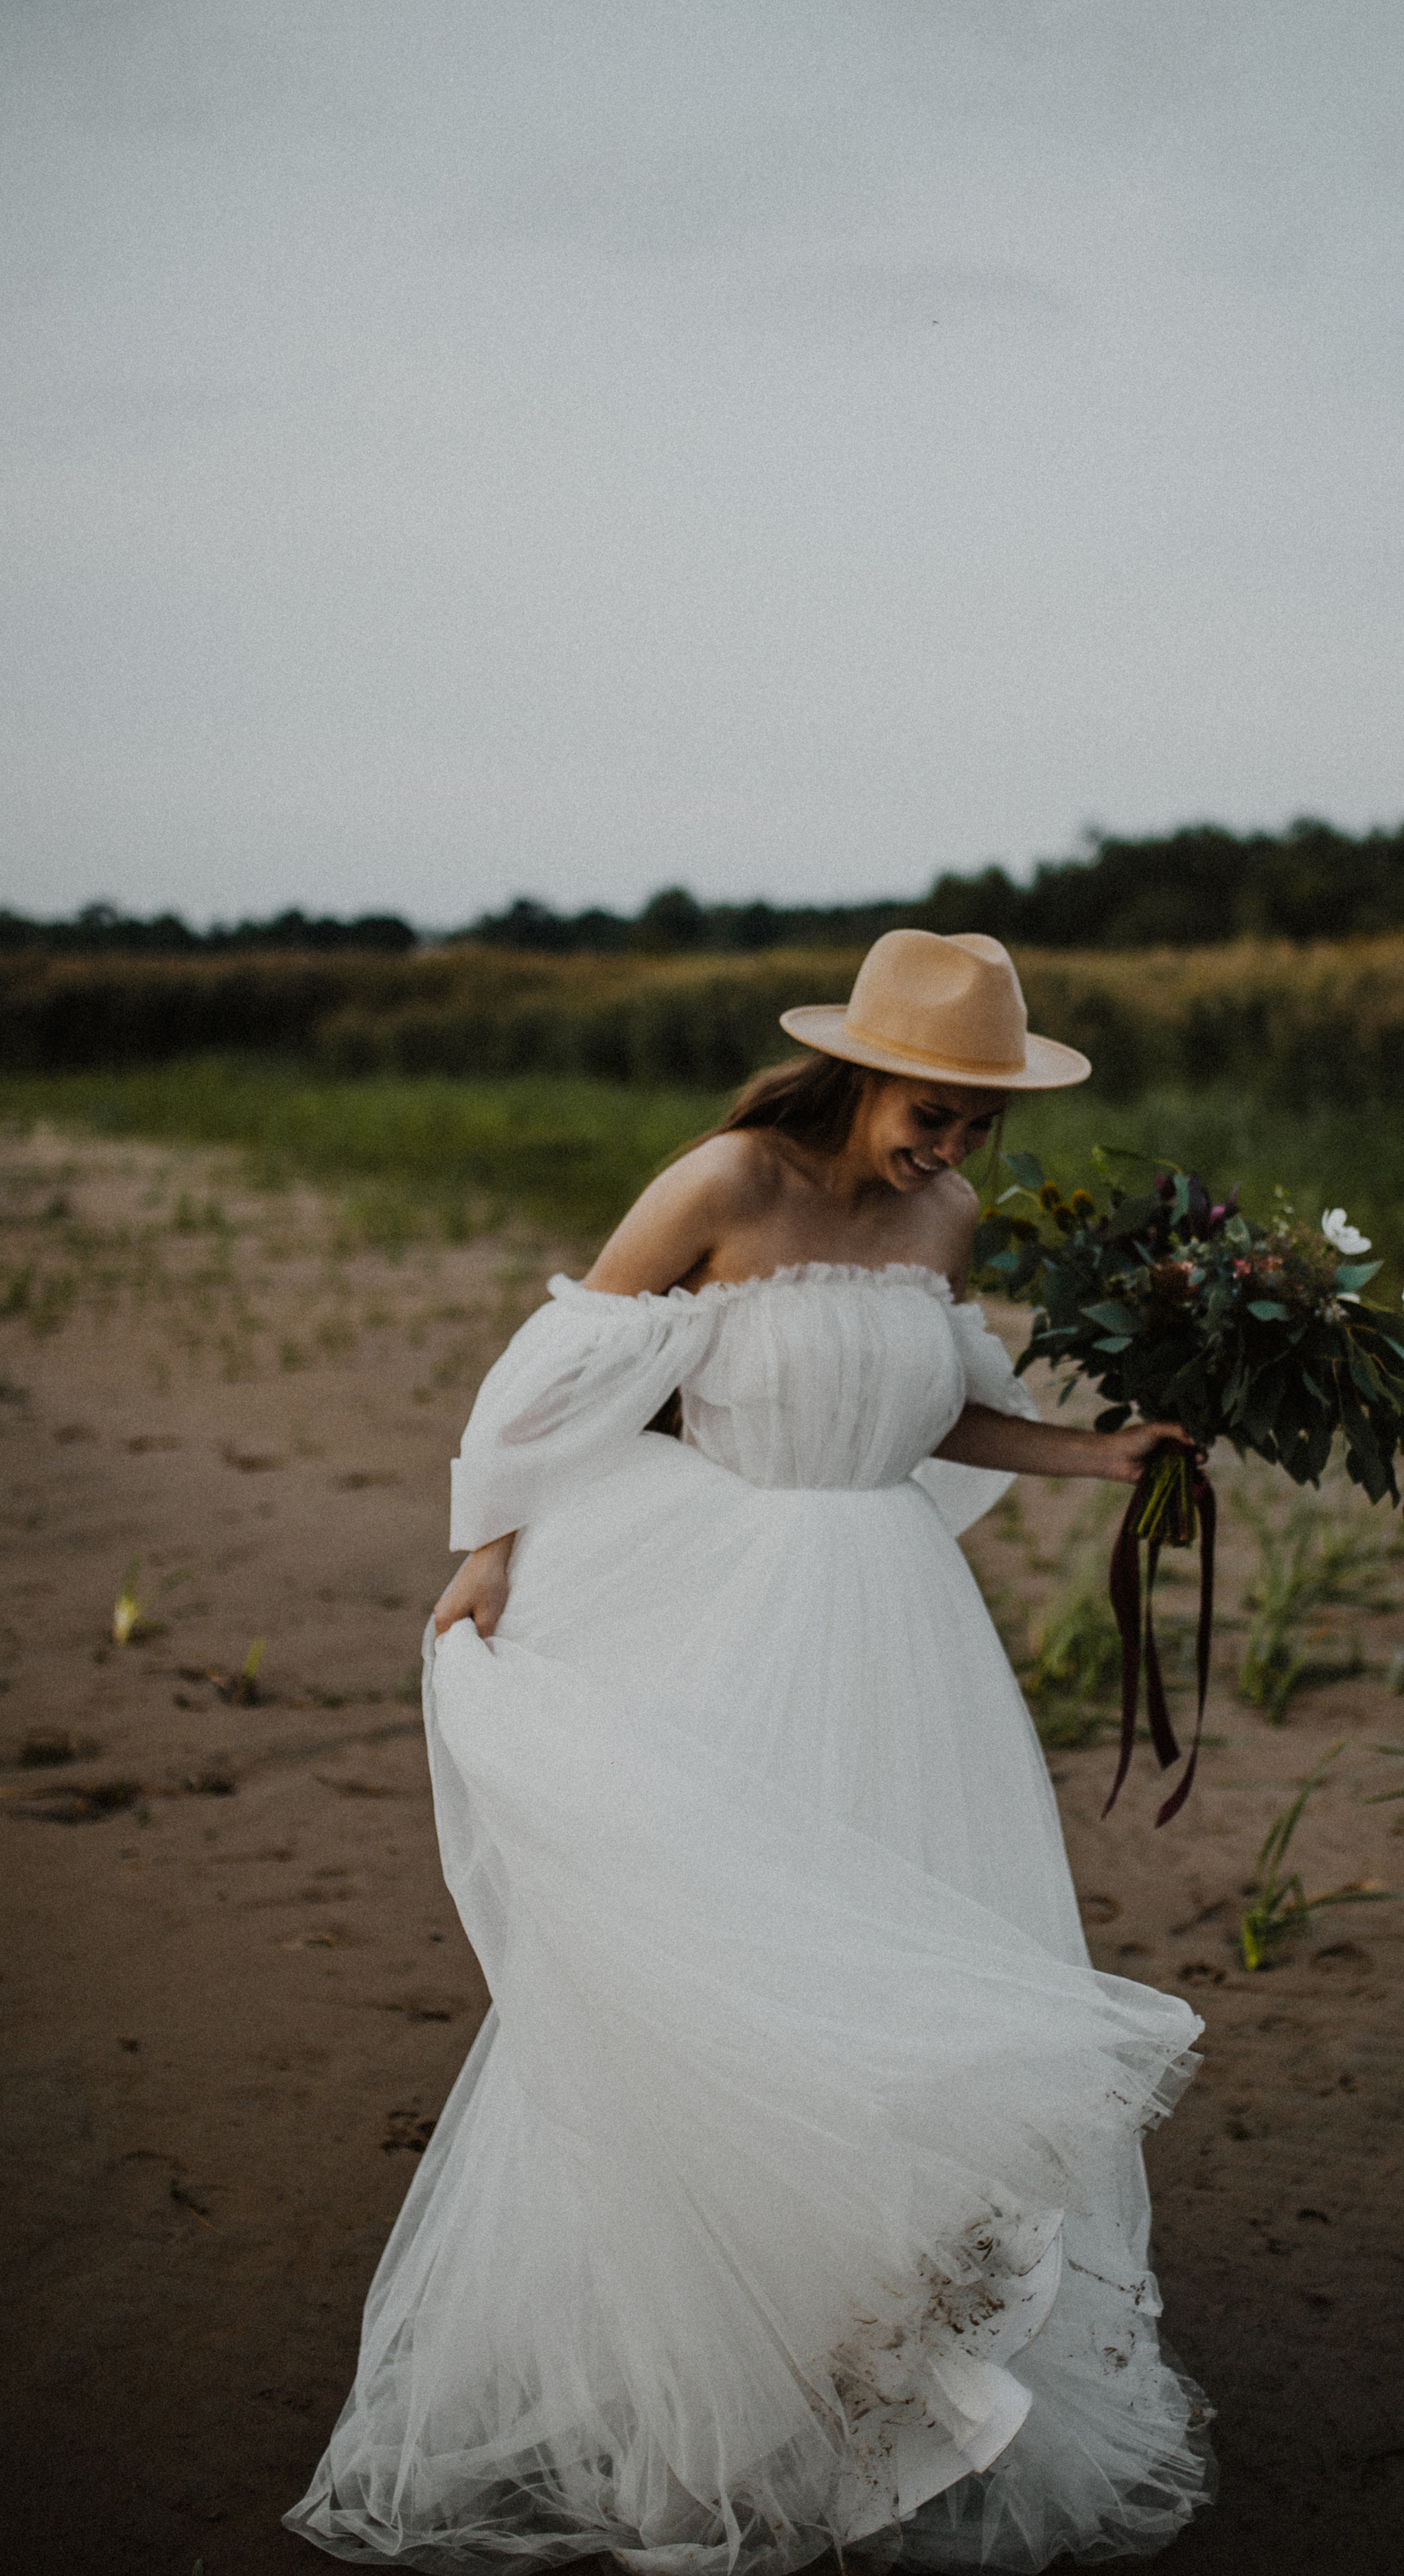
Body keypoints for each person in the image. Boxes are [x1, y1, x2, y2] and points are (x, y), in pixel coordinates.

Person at [287, 930, 1214, 2575]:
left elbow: (929, 1411)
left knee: (896, 1962)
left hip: (895, 1625)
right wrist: (490, 1548)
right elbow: (551, 1373)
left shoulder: (947, 1220)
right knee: (732, 1981)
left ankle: (874, 2356)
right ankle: (709, 2368)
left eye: (978, 1122)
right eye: (934, 1112)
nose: (953, 1149)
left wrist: (1095, 1453)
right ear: (862, 1074)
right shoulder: (726, 1179)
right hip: (726, 1608)